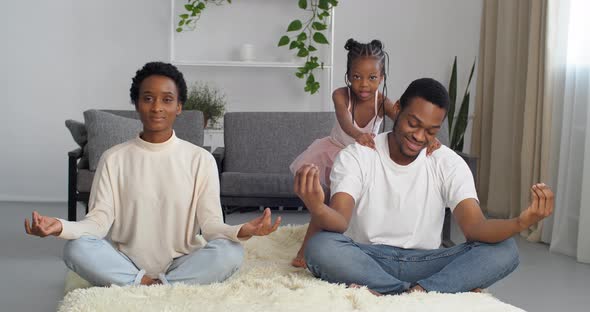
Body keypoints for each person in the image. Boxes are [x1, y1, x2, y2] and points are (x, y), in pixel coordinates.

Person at [24, 62, 281, 286]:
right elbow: (97, 224)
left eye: (167, 99)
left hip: (182, 261)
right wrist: (60, 226)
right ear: (136, 104)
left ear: (179, 106)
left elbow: (211, 226)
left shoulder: (200, 160)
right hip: (125, 261)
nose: (157, 107)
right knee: (76, 248)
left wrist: (241, 230)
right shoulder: (114, 158)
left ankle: (148, 285)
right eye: (148, 98)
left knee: (231, 253)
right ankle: (151, 284)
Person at [295, 78, 554, 294]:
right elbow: (339, 221)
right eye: (413, 123)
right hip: (366, 256)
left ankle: (405, 291)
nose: (419, 137)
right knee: (320, 248)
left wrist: (520, 222)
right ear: (397, 109)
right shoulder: (357, 155)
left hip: (428, 261)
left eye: (431, 131)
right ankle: (421, 293)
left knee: (506, 249)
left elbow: (475, 228)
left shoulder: (447, 162)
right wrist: (316, 206)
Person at [289, 39, 440, 268]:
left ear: (382, 78)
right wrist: (358, 135)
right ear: (348, 75)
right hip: (335, 153)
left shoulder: (383, 102)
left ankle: (353, 244)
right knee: (327, 202)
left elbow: (404, 119)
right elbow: (346, 122)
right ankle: (305, 250)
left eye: (372, 78)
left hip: (363, 159)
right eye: (357, 77)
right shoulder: (340, 95)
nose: (364, 85)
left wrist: (428, 134)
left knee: (356, 204)